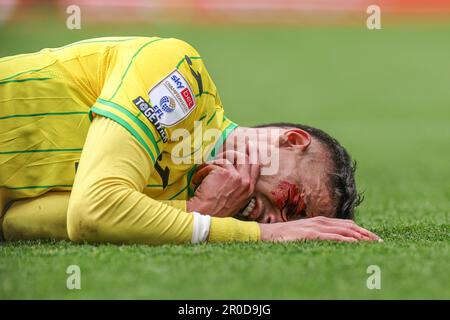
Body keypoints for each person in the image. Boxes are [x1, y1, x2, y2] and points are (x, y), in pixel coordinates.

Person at [0, 36, 380, 244]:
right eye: (291, 203)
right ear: (291, 141)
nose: (276, 220)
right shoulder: (181, 74)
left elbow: (17, 222)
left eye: (290, 223)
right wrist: (259, 234)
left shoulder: (185, 197)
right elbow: (93, 212)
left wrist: (198, 212)